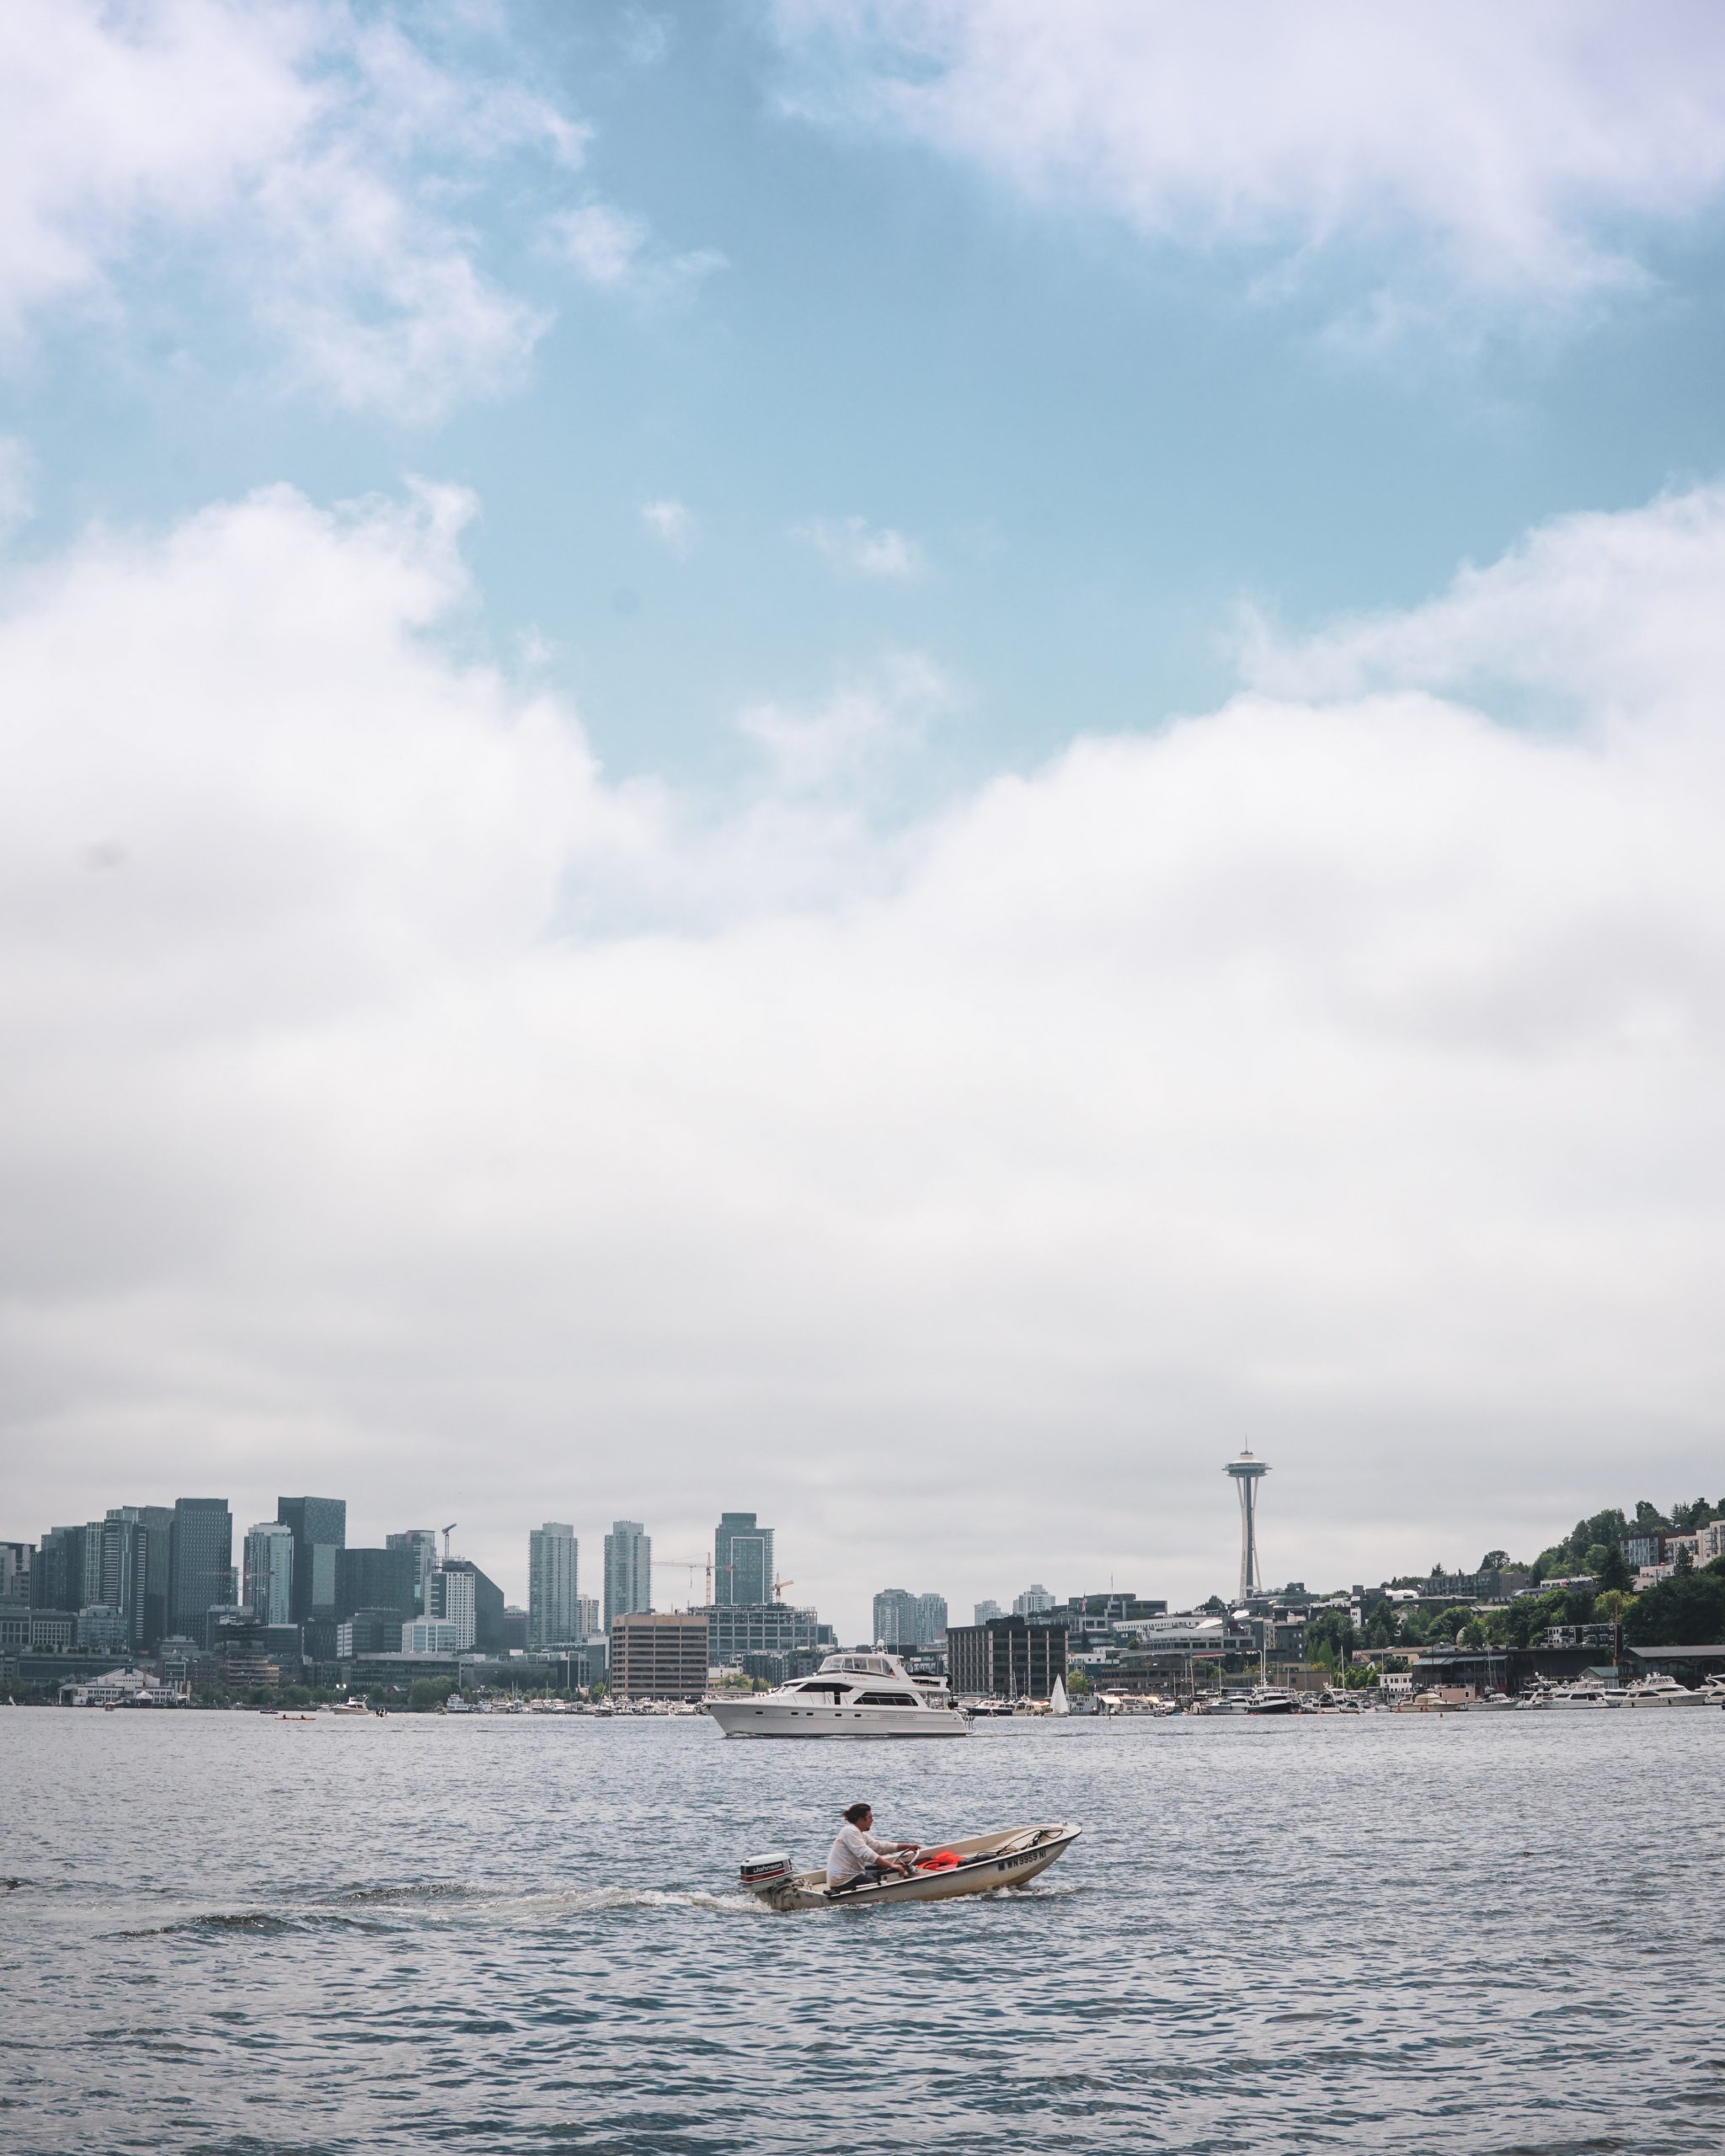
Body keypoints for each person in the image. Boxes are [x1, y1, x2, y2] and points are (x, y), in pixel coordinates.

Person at [825, 1801, 919, 1892]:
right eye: (870, 1817)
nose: (872, 1820)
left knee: (882, 1870)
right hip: (845, 1881)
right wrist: (891, 1865)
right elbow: (866, 1853)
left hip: (854, 1874)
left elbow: (879, 1846)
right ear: (861, 1819)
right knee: (883, 1882)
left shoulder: (859, 1833)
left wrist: (907, 1846)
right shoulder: (850, 1831)